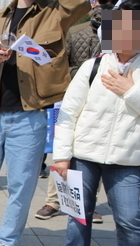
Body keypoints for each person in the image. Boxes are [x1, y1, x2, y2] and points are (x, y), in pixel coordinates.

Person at [0, 0, 89, 246]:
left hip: (30, 114)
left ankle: (9, 239)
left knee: (21, 184)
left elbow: (81, 4)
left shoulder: (54, 14)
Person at [55, 0, 140, 246]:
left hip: (126, 159)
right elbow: (68, 114)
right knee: (80, 212)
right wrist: (61, 156)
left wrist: (131, 91)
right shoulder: (93, 66)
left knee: (130, 218)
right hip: (84, 153)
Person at [35, 1, 114, 221]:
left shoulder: (117, 32)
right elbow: (60, 62)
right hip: (70, 96)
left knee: (94, 151)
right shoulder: (75, 30)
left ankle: (89, 202)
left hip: (102, 100)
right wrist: (81, 76)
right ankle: (53, 200)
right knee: (62, 148)